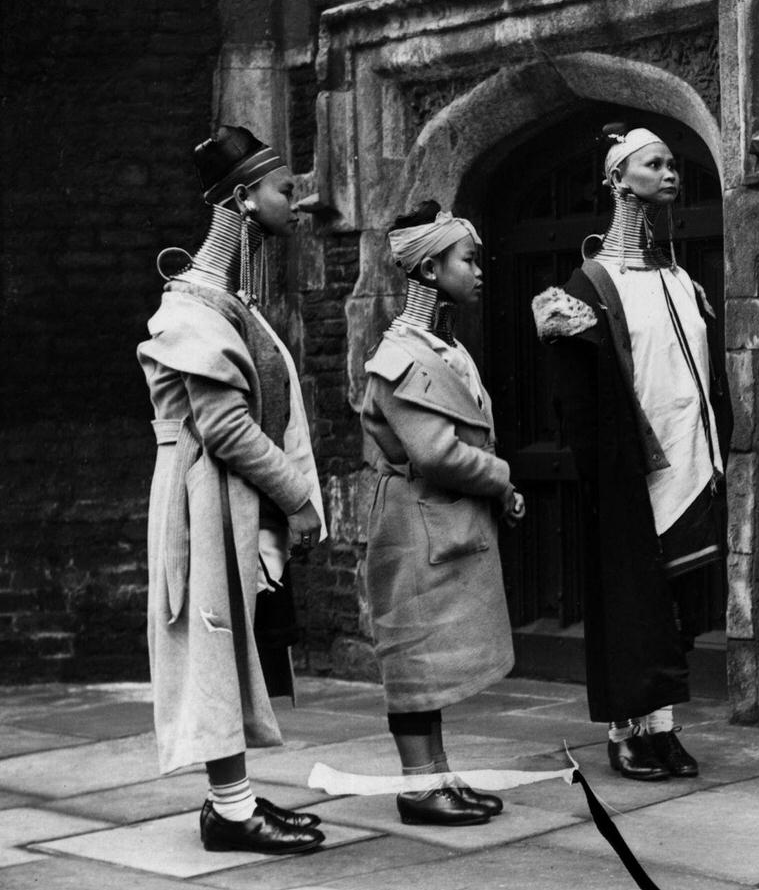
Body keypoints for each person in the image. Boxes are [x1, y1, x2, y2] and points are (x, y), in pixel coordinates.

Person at [138, 126, 327, 854]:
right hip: (203, 495)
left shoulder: (227, 302)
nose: (298, 202)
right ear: (244, 199)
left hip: (226, 492)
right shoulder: (191, 308)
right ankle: (231, 808)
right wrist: (301, 500)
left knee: (233, 641)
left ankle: (235, 798)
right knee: (215, 642)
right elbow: (228, 428)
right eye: (284, 189)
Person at [532, 124, 732, 781]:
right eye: (654, 164)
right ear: (620, 180)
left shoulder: (680, 278)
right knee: (629, 602)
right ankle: (625, 732)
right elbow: (575, 389)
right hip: (629, 469)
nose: (670, 172)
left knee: (674, 603)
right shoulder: (590, 281)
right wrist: (604, 465)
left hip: (690, 461)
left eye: (674, 164)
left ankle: (665, 728)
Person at [360, 201, 525, 825]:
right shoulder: (403, 357)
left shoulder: (443, 346)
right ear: (429, 269)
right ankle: (418, 787)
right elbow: (437, 454)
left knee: (429, 658)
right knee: (413, 657)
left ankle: (439, 776)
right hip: (413, 523)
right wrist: (503, 479)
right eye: (468, 260)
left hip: (439, 519)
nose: (479, 271)